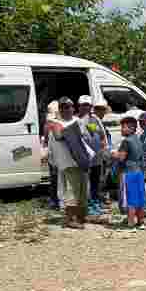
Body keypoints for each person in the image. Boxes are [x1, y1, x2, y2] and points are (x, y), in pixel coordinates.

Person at [48, 97, 92, 229]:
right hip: (68, 162)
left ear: (73, 108)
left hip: (81, 160)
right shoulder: (56, 123)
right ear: (59, 109)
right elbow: (58, 136)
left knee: (83, 189)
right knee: (72, 190)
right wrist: (73, 130)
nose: (66, 109)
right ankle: (68, 219)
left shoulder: (78, 121)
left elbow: (86, 137)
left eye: (68, 106)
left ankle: (81, 216)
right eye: (63, 107)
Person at [111, 116, 146, 229]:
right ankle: (141, 222)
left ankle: (130, 223)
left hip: (129, 173)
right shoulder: (138, 139)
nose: (121, 129)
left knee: (130, 199)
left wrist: (111, 154)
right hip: (139, 172)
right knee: (139, 198)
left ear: (131, 128)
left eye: (123, 127)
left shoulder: (126, 141)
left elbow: (121, 157)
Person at [74, 96, 106, 216]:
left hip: (96, 157)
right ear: (79, 106)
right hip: (84, 157)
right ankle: (87, 205)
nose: (86, 107)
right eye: (84, 105)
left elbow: (102, 135)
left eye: (88, 105)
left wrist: (103, 147)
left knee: (95, 182)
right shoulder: (75, 120)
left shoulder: (95, 119)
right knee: (85, 183)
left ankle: (95, 202)